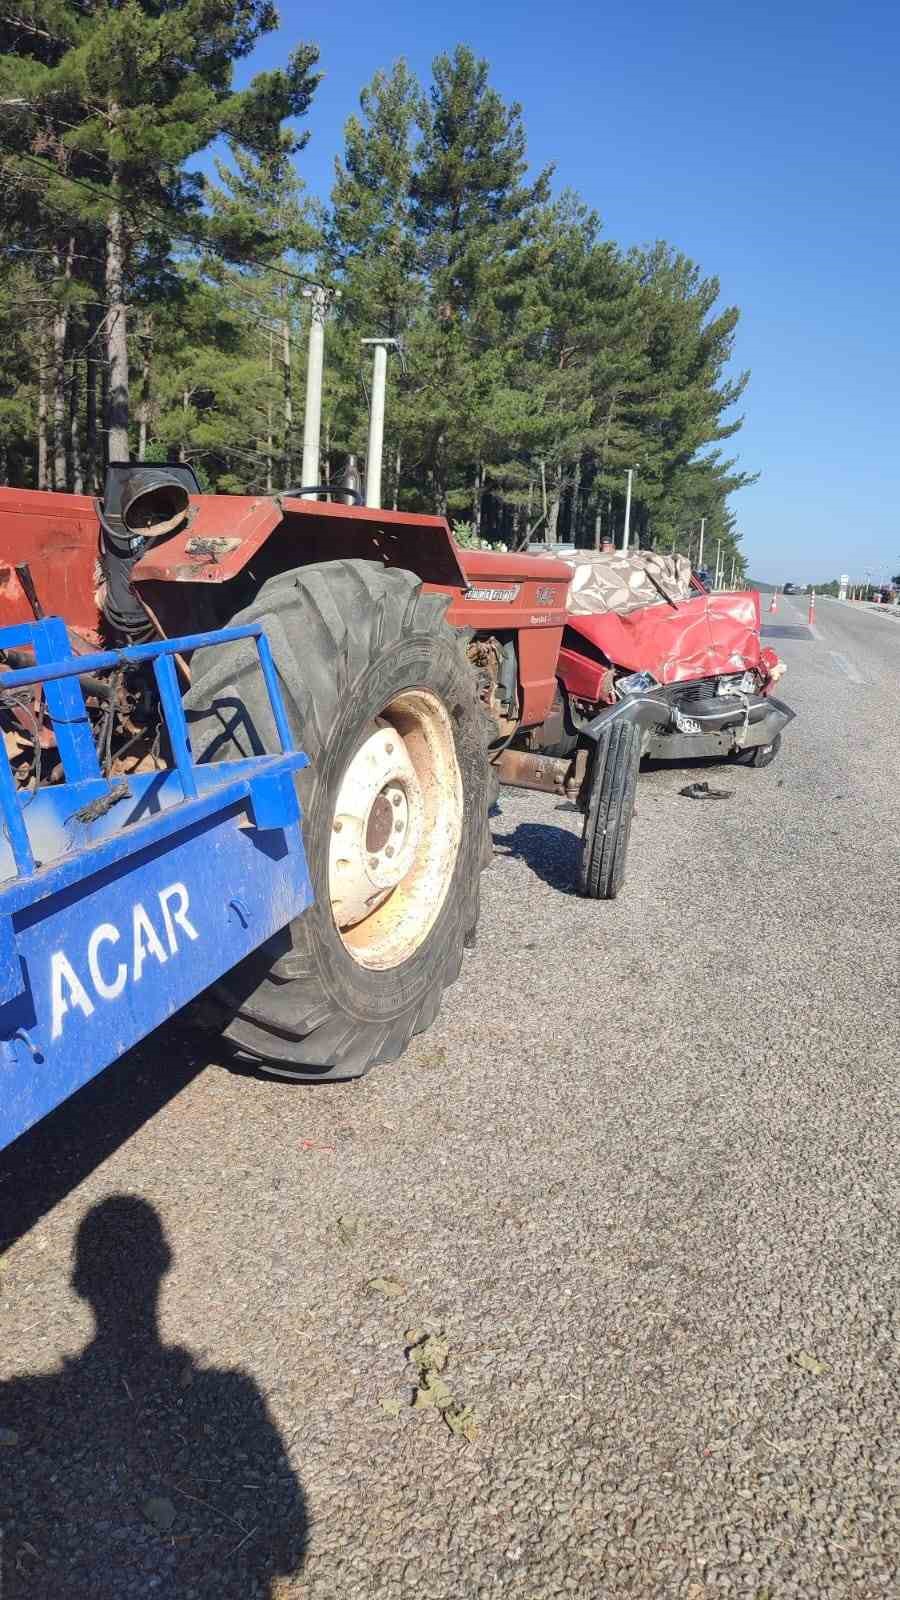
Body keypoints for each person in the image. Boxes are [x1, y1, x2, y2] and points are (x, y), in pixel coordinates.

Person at [0, 1196, 306, 1598]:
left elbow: (288, 1548)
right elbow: (289, 1549)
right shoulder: (233, 1388)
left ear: (79, 1282)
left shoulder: (19, 1400)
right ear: (165, 1261)